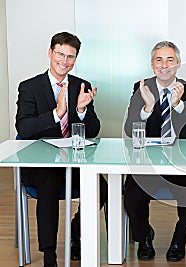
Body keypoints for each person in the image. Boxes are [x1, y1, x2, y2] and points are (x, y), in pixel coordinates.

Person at [15, 32, 108, 267]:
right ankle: (49, 254)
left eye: (70, 57)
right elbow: (24, 128)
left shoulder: (80, 85)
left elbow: (94, 130)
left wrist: (83, 111)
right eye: (60, 54)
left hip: (73, 162)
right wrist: (57, 114)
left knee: (102, 187)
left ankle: (75, 232)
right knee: (49, 183)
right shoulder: (29, 87)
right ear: (50, 53)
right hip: (41, 164)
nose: (64, 61)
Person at [123, 41, 186, 262]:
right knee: (132, 194)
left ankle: (179, 240)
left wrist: (179, 105)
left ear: (178, 63)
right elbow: (129, 129)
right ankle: (144, 239)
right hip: (149, 164)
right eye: (159, 60)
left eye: (170, 60)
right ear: (152, 65)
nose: (164, 65)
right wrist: (148, 108)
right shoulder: (141, 87)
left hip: (183, 164)